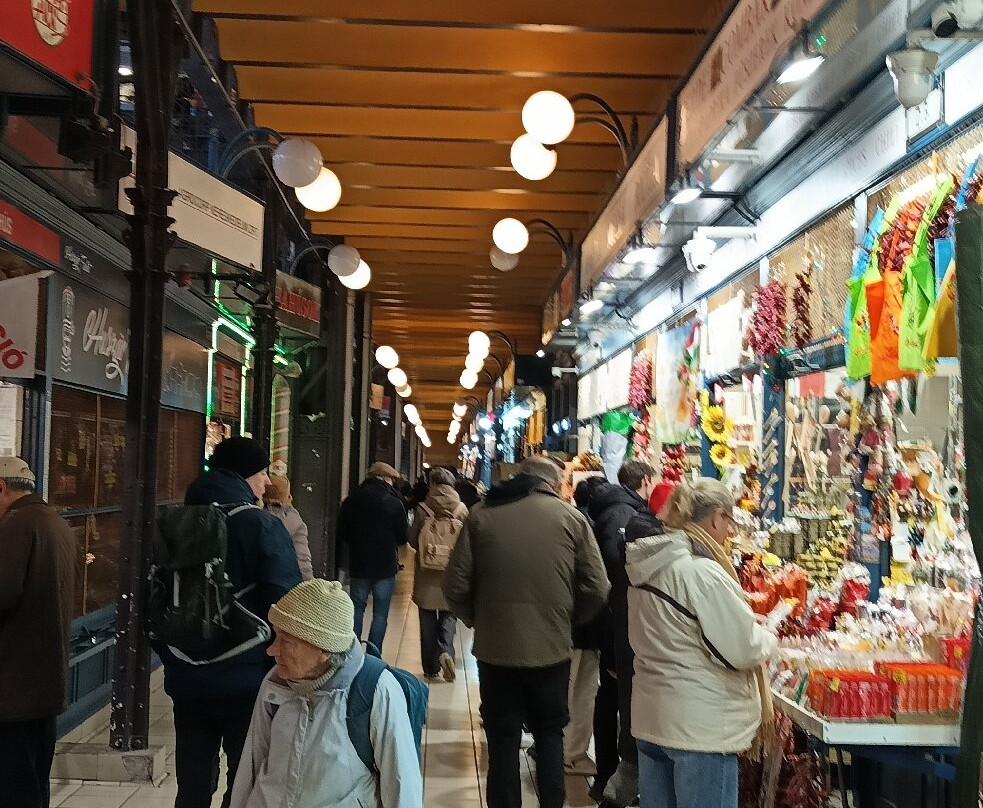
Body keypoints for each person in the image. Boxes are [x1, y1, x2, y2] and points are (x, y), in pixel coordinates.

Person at [444, 456, 609, 808]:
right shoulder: (571, 519)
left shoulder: (480, 516)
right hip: (551, 649)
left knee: (502, 738)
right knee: (550, 733)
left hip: (495, 651)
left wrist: (479, 620)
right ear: (553, 483)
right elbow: (597, 586)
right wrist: (568, 620)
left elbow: (455, 586)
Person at [160, 437, 303, 808]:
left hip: (186, 676)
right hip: (247, 678)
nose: (267, 482)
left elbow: (153, 596)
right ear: (243, 476)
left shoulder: (176, 522)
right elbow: (288, 602)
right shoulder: (261, 525)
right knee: (244, 782)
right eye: (261, 473)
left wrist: (174, 655)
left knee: (192, 785)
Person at [626, 479, 777, 808]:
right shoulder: (702, 572)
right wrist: (769, 638)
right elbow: (742, 649)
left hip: (652, 718)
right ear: (717, 518)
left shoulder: (649, 565)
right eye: (729, 522)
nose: (729, 531)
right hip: (699, 729)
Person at [230, 579, 423, 808]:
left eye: (286, 641)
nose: (272, 650)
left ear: (324, 649)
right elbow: (250, 768)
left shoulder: (376, 690)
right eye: (276, 636)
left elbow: (403, 788)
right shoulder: (276, 682)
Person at [0, 458, 76, 808]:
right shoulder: (55, 522)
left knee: (13, 786)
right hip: (45, 684)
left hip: (13, 688)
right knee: (34, 780)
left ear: (1, 487)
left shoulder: (16, 525)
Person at [587, 460, 655, 805]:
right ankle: (611, 779)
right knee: (616, 698)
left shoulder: (617, 509)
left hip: (615, 619)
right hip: (619, 621)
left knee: (613, 697)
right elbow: (619, 573)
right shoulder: (623, 515)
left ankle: (611, 777)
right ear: (646, 480)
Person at [337, 461, 408, 652]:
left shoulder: (351, 500)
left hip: (359, 562)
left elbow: (342, 533)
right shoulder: (394, 503)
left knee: (357, 608)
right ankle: (373, 654)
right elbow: (403, 537)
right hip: (385, 564)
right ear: (385, 479)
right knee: (380, 614)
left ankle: (352, 652)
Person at [565, 475, 609, 778]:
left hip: (560, 624)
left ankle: (559, 749)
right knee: (580, 692)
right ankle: (571, 755)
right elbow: (598, 584)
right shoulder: (593, 527)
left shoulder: (567, 521)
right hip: (585, 627)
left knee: (566, 689)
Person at [408, 466, 467, 682]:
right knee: (449, 615)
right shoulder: (461, 509)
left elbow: (412, 539)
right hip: (452, 573)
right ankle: (445, 651)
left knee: (426, 617)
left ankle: (430, 667)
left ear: (431, 483)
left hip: (426, 573)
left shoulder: (423, 508)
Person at [264, 475, 314, 580]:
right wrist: (308, 581)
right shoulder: (294, 520)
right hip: (285, 579)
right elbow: (302, 557)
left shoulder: (254, 514)